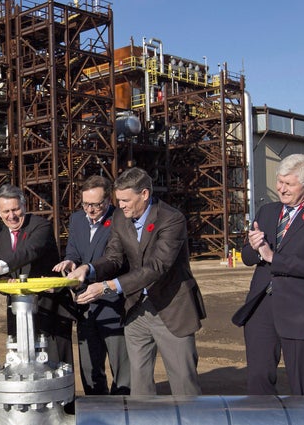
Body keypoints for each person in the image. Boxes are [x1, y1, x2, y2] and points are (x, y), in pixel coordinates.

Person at [68, 167, 206, 396]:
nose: (120, 206)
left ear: (144, 194)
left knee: (183, 383)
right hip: (136, 310)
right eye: (118, 200)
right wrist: (88, 268)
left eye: (125, 200)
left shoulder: (171, 219)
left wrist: (108, 286)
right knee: (139, 385)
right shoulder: (121, 218)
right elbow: (114, 257)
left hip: (170, 309)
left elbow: (156, 267)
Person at [233, 153, 304, 395]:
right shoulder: (267, 212)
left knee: (302, 384)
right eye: (279, 181)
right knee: (258, 378)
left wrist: (273, 257)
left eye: (288, 184)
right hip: (261, 307)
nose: (281, 189)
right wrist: (254, 248)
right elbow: (249, 259)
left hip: (299, 310)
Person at [53, 175, 131, 395]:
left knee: (122, 369)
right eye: (86, 203)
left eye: (96, 204)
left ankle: (120, 410)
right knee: (89, 368)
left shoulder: (120, 219)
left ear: (108, 200)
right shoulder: (77, 219)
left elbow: (117, 260)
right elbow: (74, 251)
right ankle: (96, 410)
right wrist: (70, 262)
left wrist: (87, 268)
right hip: (85, 305)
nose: (91, 209)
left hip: (113, 304)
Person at [0, 183, 76, 366]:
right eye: (6, 211)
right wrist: (6, 284)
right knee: (21, 366)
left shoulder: (40, 226)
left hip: (52, 310)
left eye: (15, 209)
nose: (11, 216)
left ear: (24, 206)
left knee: (56, 368)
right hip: (18, 313)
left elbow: (28, 252)